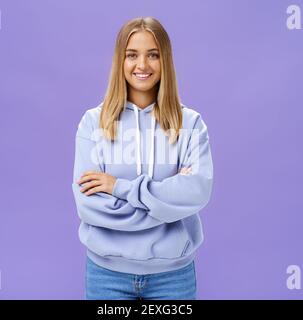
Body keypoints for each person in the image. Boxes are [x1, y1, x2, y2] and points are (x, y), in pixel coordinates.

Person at [72, 17, 213, 300]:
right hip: (107, 276)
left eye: (153, 55)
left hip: (173, 278)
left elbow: (197, 192)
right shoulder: (93, 123)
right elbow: (89, 206)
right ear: (120, 61)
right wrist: (166, 205)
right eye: (132, 55)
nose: (142, 65)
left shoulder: (190, 124)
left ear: (166, 61)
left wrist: (118, 187)